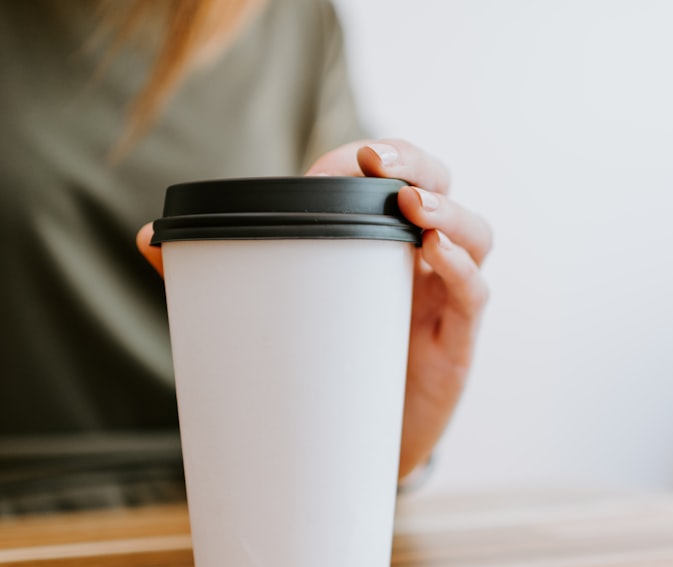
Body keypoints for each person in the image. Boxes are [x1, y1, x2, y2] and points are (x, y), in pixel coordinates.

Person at [0, 0, 491, 514]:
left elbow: (344, 271)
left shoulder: (297, 20)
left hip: (266, 500)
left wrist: (382, 434)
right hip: (22, 520)